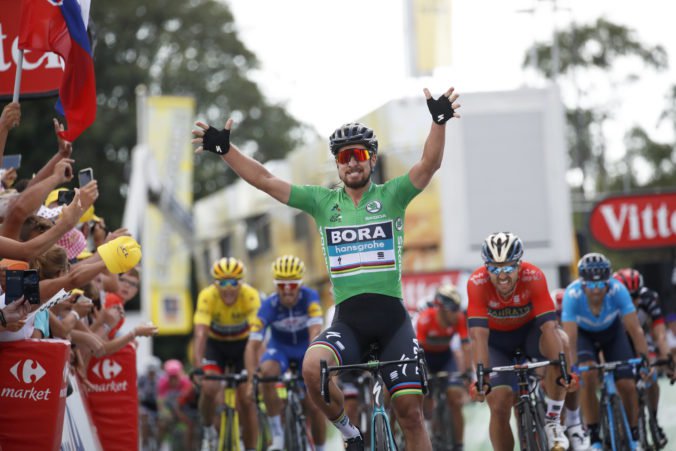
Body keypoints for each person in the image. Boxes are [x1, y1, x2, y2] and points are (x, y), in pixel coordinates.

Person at [193, 85, 460, 450]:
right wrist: (226, 150)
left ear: (371, 159)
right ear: (337, 164)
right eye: (344, 157)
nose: (352, 162)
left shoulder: (392, 196)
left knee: (411, 414)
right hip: (349, 322)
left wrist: (438, 121)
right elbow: (266, 180)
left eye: (359, 154)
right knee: (311, 366)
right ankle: (351, 433)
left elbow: (429, 164)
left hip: (392, 321)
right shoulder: (323, 202)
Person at [467, 232, 570, 451]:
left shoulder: (534, 276)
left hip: (529, 335)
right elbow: (478, 337)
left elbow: (549, 327)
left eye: (509, 267)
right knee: (500, 402)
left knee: (560, 340)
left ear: (520, 264)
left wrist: (560, 368)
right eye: (494, 268)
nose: (502, 276)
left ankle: (552, 421)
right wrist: (481, 378)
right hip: (496, 343)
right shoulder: (477, 282)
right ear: (486, 267)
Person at [561, 253, 653, 449]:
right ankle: (594, 435)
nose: (596, 291)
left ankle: (634, 435)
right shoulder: (572, 295)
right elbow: (570, 339)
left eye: (601, 285)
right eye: (591, 286)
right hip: (584, 336)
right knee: (588, 375)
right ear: (582, 284)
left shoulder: (618, 291)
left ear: (609, 283)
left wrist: (645, 361)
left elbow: (635, 330)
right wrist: (572, 369)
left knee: (627, 385)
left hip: (612, 333)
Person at [244, 255, 326, 450]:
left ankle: (321, 447)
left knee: (314, 405)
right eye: (282, 286)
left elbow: (315, 331)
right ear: (275, 286)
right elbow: (252, 345)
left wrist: (313, 357)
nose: (287, 291)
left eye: (292, 285)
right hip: (280, 349)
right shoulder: (269, 305)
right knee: (266, 372)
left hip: (305, 348)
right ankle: (278, 435)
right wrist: (250, 380)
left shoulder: (310, 297)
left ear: (300, 284)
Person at [193, 257, 261, 451]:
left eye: (234, 282)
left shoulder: (250, 295)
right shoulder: (207, 296)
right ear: (215, 284)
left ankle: (250, 448)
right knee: (209, 386)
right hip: (216, 347)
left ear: (242, 283)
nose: (228, 288)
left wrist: (257, 369)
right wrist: (198, 366)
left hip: (243, 347)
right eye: (222, 283)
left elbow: (257, 338)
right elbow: (200, 333)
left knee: (247, 400)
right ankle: (207, 428)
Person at [613, 267, 672, 447]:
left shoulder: (649, 298)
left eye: (636, 295)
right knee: (621, 381)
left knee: (651, 373)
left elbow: (659, 333)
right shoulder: (610, 300)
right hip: (617, 340)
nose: (633, 300)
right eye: (628, 296)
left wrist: (668, 358)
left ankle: (653, 420)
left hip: (642, 338)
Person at [415, 284, 471, 451]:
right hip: (426, 359)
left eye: (458, 308)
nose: (457, 313)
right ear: (441, 309)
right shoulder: (425, 319)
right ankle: (431, 429)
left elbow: (466, 347)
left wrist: (467, 372)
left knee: (455, 399)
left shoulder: (460, 319)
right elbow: (416, 351)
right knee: (427, 400)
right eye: (453, 309)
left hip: (446, 358)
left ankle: (459, 445)